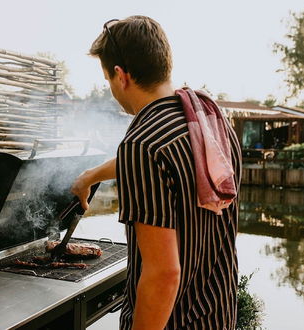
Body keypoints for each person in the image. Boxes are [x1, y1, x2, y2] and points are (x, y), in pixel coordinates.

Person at [71, 16, 242, 329]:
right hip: (217, 314)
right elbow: (164, 164)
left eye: (108, 80)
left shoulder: (142, 144)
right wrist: (89, 177)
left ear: (121, 76)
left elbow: (163, 276)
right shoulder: (209, 121)